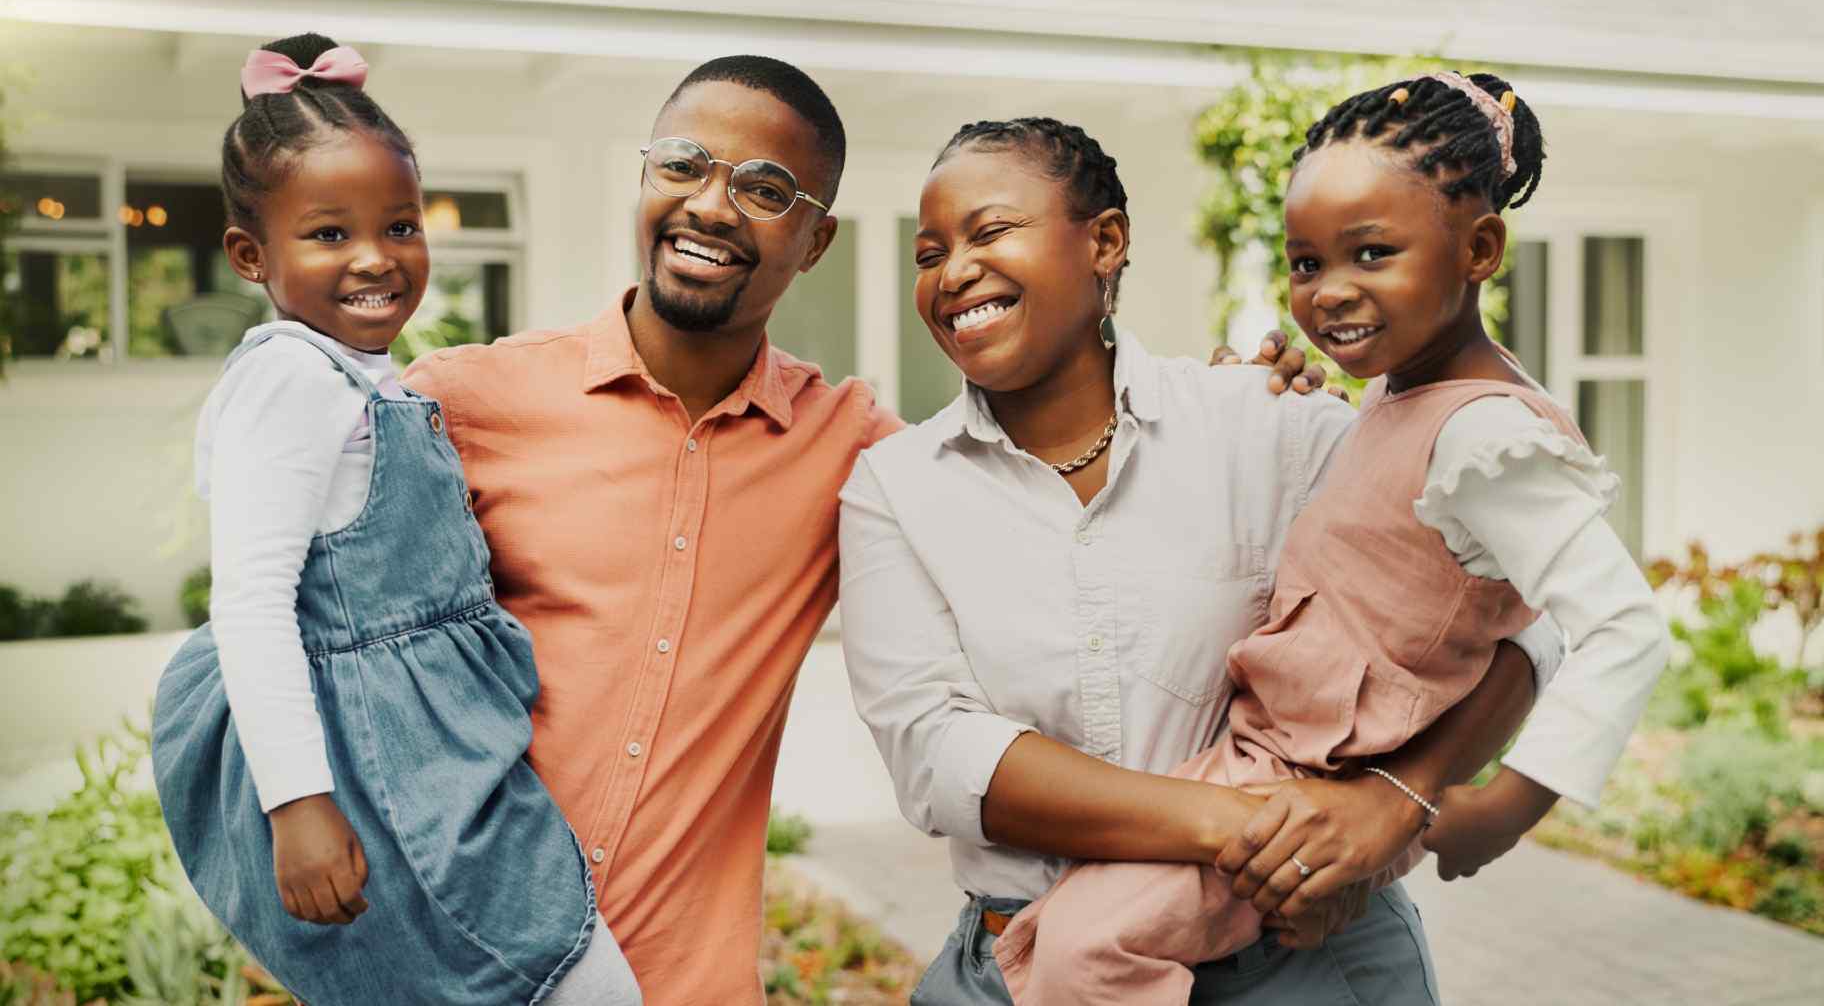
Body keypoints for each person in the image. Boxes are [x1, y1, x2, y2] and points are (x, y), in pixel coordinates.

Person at [398, 56, 1326, 1003]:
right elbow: (326, 640)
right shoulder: (462, 405)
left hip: (678, 980)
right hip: (449, 964)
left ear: (815, 242)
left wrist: (1233, 409)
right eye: (680, 164)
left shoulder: (858, 454)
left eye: (765, 188)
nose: (711, 206)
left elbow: (1025, 462)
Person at [838, 114, 1582, 1005]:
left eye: (991, 232)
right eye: (929, 253)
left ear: (1106, 241)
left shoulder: (1271, 425)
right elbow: (939, 755)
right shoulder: (895, 489)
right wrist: (1262, 829)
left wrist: (1396, 801)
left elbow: (1524, 620)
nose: (954, 272)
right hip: (1032, 967)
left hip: (1303, 962)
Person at [984, 75, 1671, 1003]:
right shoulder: (1404, 394)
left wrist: (1509, 805)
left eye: (1372, 254)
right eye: (1306, 264)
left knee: (1081, 953)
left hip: (1308, 788)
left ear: (1481, 249)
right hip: (1258, 763)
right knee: (1065, 930)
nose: (1330, 293)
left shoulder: (1490, 438)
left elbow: (1621, 627)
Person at [150, 35, 641, 1004]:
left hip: (437, 749)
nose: (376, 259)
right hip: (382, 767)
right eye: (329, 234)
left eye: (401, 227)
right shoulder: (287, 379)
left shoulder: (355, 375)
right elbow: (251, 606)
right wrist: (297, 803)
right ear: (252, 255)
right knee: (571, 982)